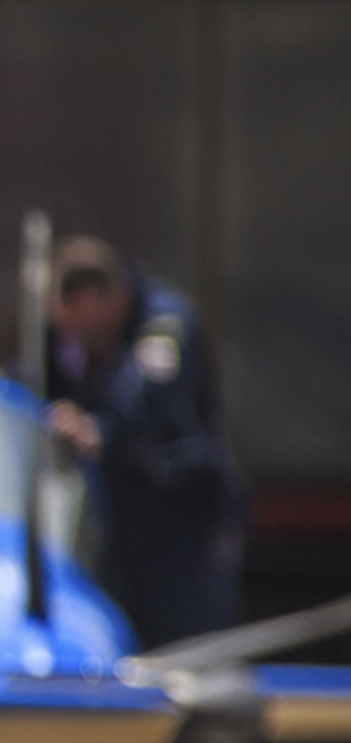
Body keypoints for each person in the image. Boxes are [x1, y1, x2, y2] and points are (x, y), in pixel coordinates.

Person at [46, 233, 248, 652]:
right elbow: (52, 380)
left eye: (85, 324)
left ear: (111, 298)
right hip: (121, 522)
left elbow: (148, 398)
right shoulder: (81, 333)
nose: (79, 340)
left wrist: (98, 430)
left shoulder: (167, 324)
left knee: (186, 651)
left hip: (182, 519)